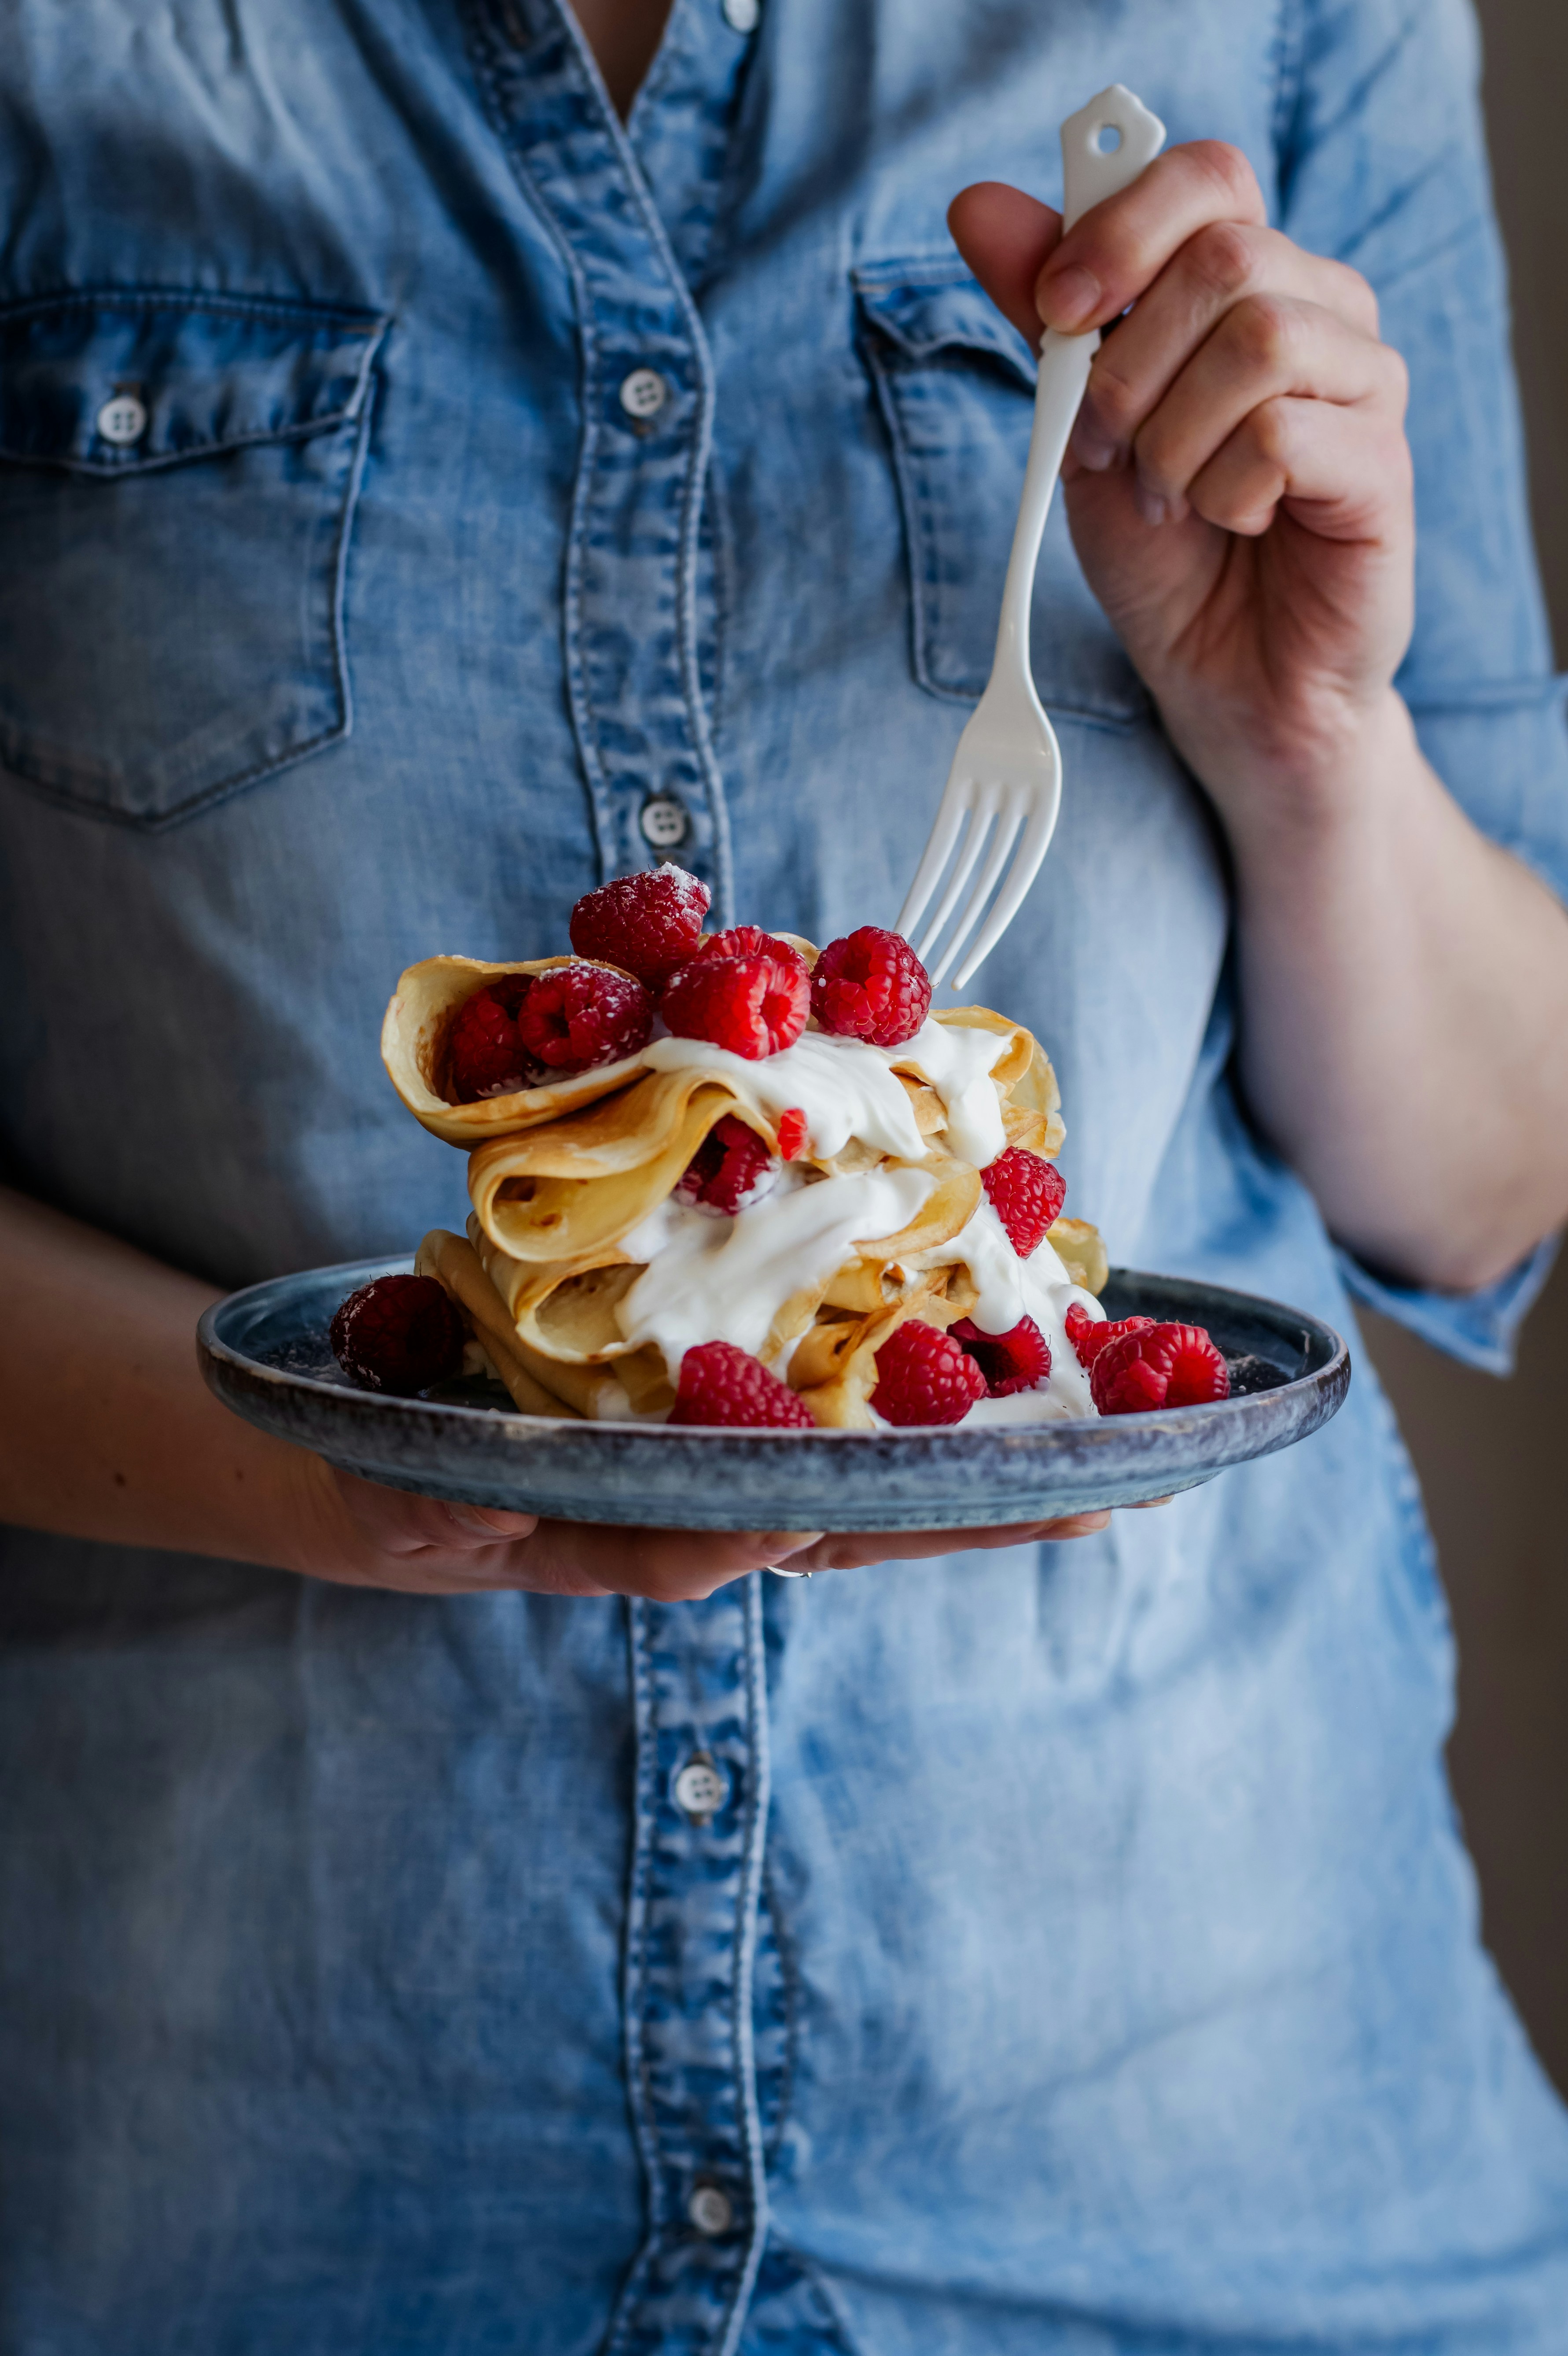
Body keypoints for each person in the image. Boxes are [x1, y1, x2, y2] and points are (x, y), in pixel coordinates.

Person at [3, 0, 1567, 2343]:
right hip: (261, 2173)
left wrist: (1302, 731)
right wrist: (384, 1463)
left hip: (1214, 2178)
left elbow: (1491, 1164)